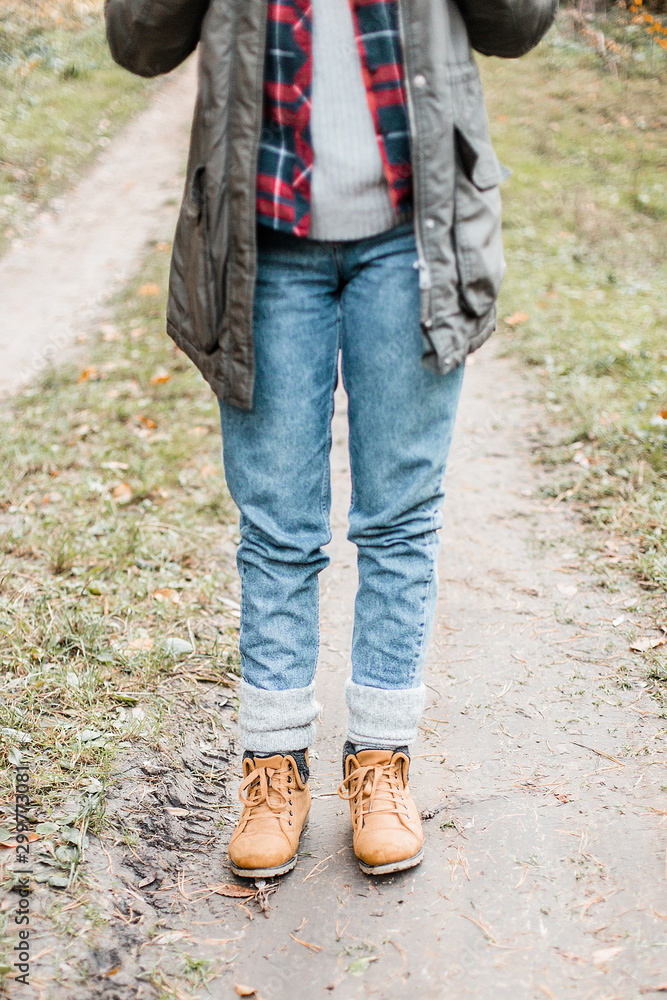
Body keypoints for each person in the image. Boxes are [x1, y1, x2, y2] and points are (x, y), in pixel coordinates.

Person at [105, 0, 557, 878]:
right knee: (276, 525)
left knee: (398, 514)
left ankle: (380, 764)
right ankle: (272, 769)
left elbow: (519, 25)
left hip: (412, 236)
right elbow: (138, 44)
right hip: (262, 243)